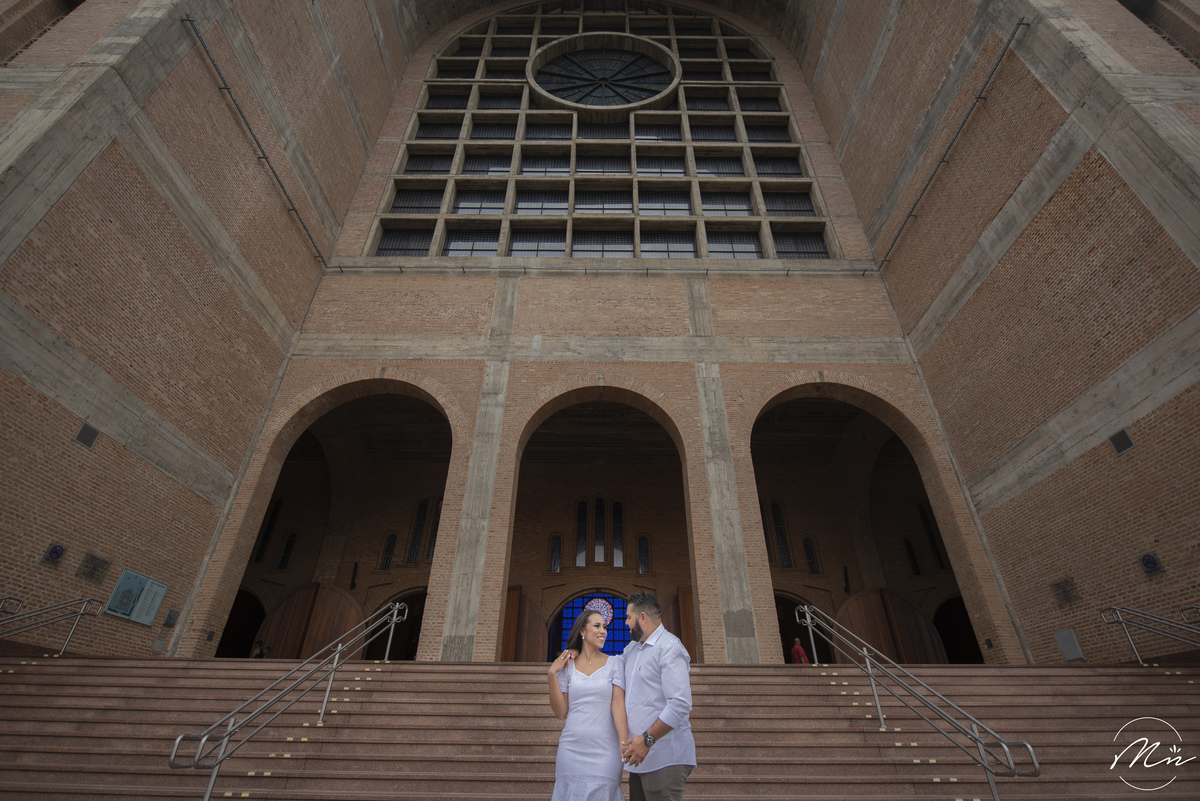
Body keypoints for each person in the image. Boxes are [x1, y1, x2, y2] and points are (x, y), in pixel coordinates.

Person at [618, 591, 696, 801]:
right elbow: (612, 667)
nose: (626, 623)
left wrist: (647, 740)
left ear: (642, 617)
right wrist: (581, 651)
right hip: (640, 757)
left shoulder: (670, 648)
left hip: (664, 756)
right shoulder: (633, 648)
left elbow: (679, 704)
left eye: (628, 617)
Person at [548, 608, 630, 801]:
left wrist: (624, 742)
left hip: (605, 750)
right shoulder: (568, 665)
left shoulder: (615, 663)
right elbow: (560, 712)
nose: (603, 631)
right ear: (582, 632)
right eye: (597, 626)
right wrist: (552, 673)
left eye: (604, 627)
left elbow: (618, 705)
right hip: (571, 750)